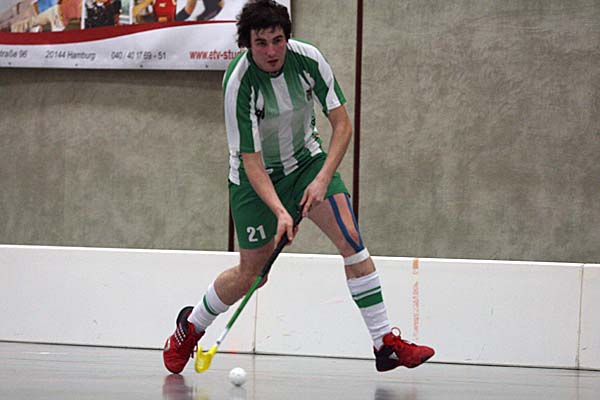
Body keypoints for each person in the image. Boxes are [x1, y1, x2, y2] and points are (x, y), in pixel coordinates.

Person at [163, 0, 435, 374]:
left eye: (278, 40)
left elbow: (342, 125)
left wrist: (322, 178)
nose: (272, 51)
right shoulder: (239, 83)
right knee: (253, 276)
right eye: (261, 43)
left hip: (307, 163)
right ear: (247, 44)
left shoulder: (308, 60)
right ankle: (191, 325)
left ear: (287, 38)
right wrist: (280, 212)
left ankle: (383, 344)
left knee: (352, 244)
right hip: (255, 180)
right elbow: (251, 160)